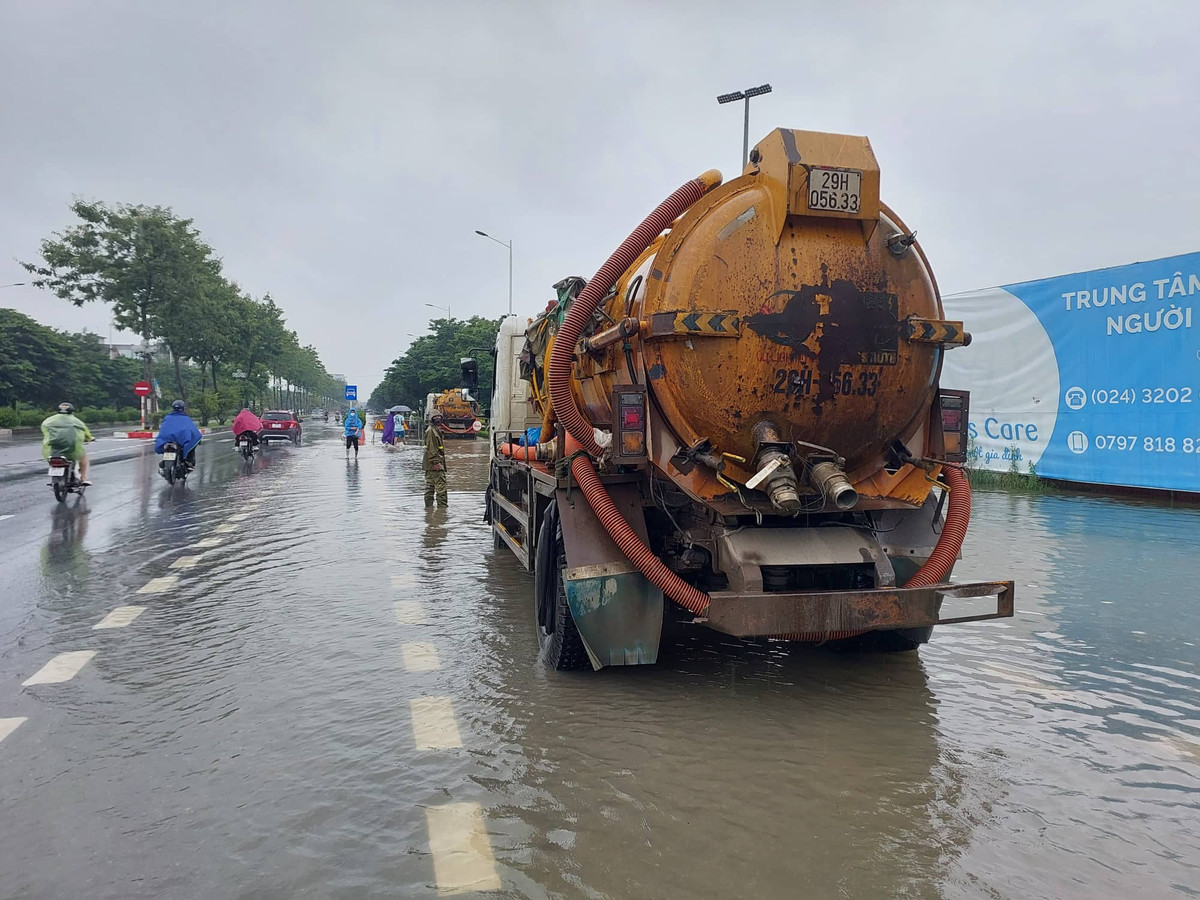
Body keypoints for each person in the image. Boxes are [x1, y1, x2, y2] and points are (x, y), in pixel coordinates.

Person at [41, 402, 95, 485]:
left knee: (52, 459)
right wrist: (90, 438)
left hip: (53, 447)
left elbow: (44, 427)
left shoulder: (49, 420)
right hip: (72, 447)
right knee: (83, 457)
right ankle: (83, 478)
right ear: (72, 411)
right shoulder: (75, 420)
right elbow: (85, 430)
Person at [155, 400, 203, 470]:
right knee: (192, 443)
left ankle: (164, 461)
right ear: (183, 408)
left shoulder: (167, 418)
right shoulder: (186, 418)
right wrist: (197, 438)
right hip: (181, 440)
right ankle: (189, 462)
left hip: (166, 439)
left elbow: (163, 429)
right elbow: (194, 431)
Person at [424, 411, 448, 508]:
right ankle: (442, 509)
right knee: (441, 487)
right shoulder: (431, 431)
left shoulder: (435, 430)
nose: (438, 418)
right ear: (431, 418)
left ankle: (428, 508)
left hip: (430, 464)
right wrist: (436, 462)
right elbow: (432, 448)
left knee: (430, 486)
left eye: (439, 416)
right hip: (435, 464)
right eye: (435, 416)